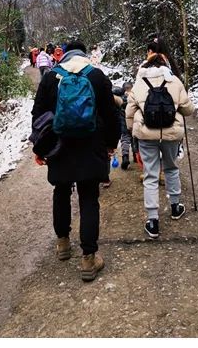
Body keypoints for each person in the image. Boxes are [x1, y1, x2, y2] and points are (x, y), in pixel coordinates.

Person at [31, 40, 121, 281]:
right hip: (91, 146)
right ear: (84, 54)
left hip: (59, 147)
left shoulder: (51, 77)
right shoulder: (97, 76)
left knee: (60, 192)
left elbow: (38, 114)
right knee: (89, 198)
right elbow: (111, 115)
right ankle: (89, 259)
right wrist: (111, 143)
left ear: (65, 54)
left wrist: (40, 148)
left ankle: (62, 244)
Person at [127, 52, 195, 238]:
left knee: (150, 175)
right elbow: (188, 109)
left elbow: (130, 111)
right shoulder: (174, 82)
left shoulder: (139, 83)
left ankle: (153, 220)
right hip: (171, 134)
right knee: (171, 168)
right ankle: (175, 207)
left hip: (146, 134)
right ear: (165, 65)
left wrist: (132, 130)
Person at [113, 82, 136, 170]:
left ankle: (125, 157)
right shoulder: (134, 97)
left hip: (123, 122)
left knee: (125, 139)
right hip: (134, 122)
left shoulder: (120, 98)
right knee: (134, 138)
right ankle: (135, 155)